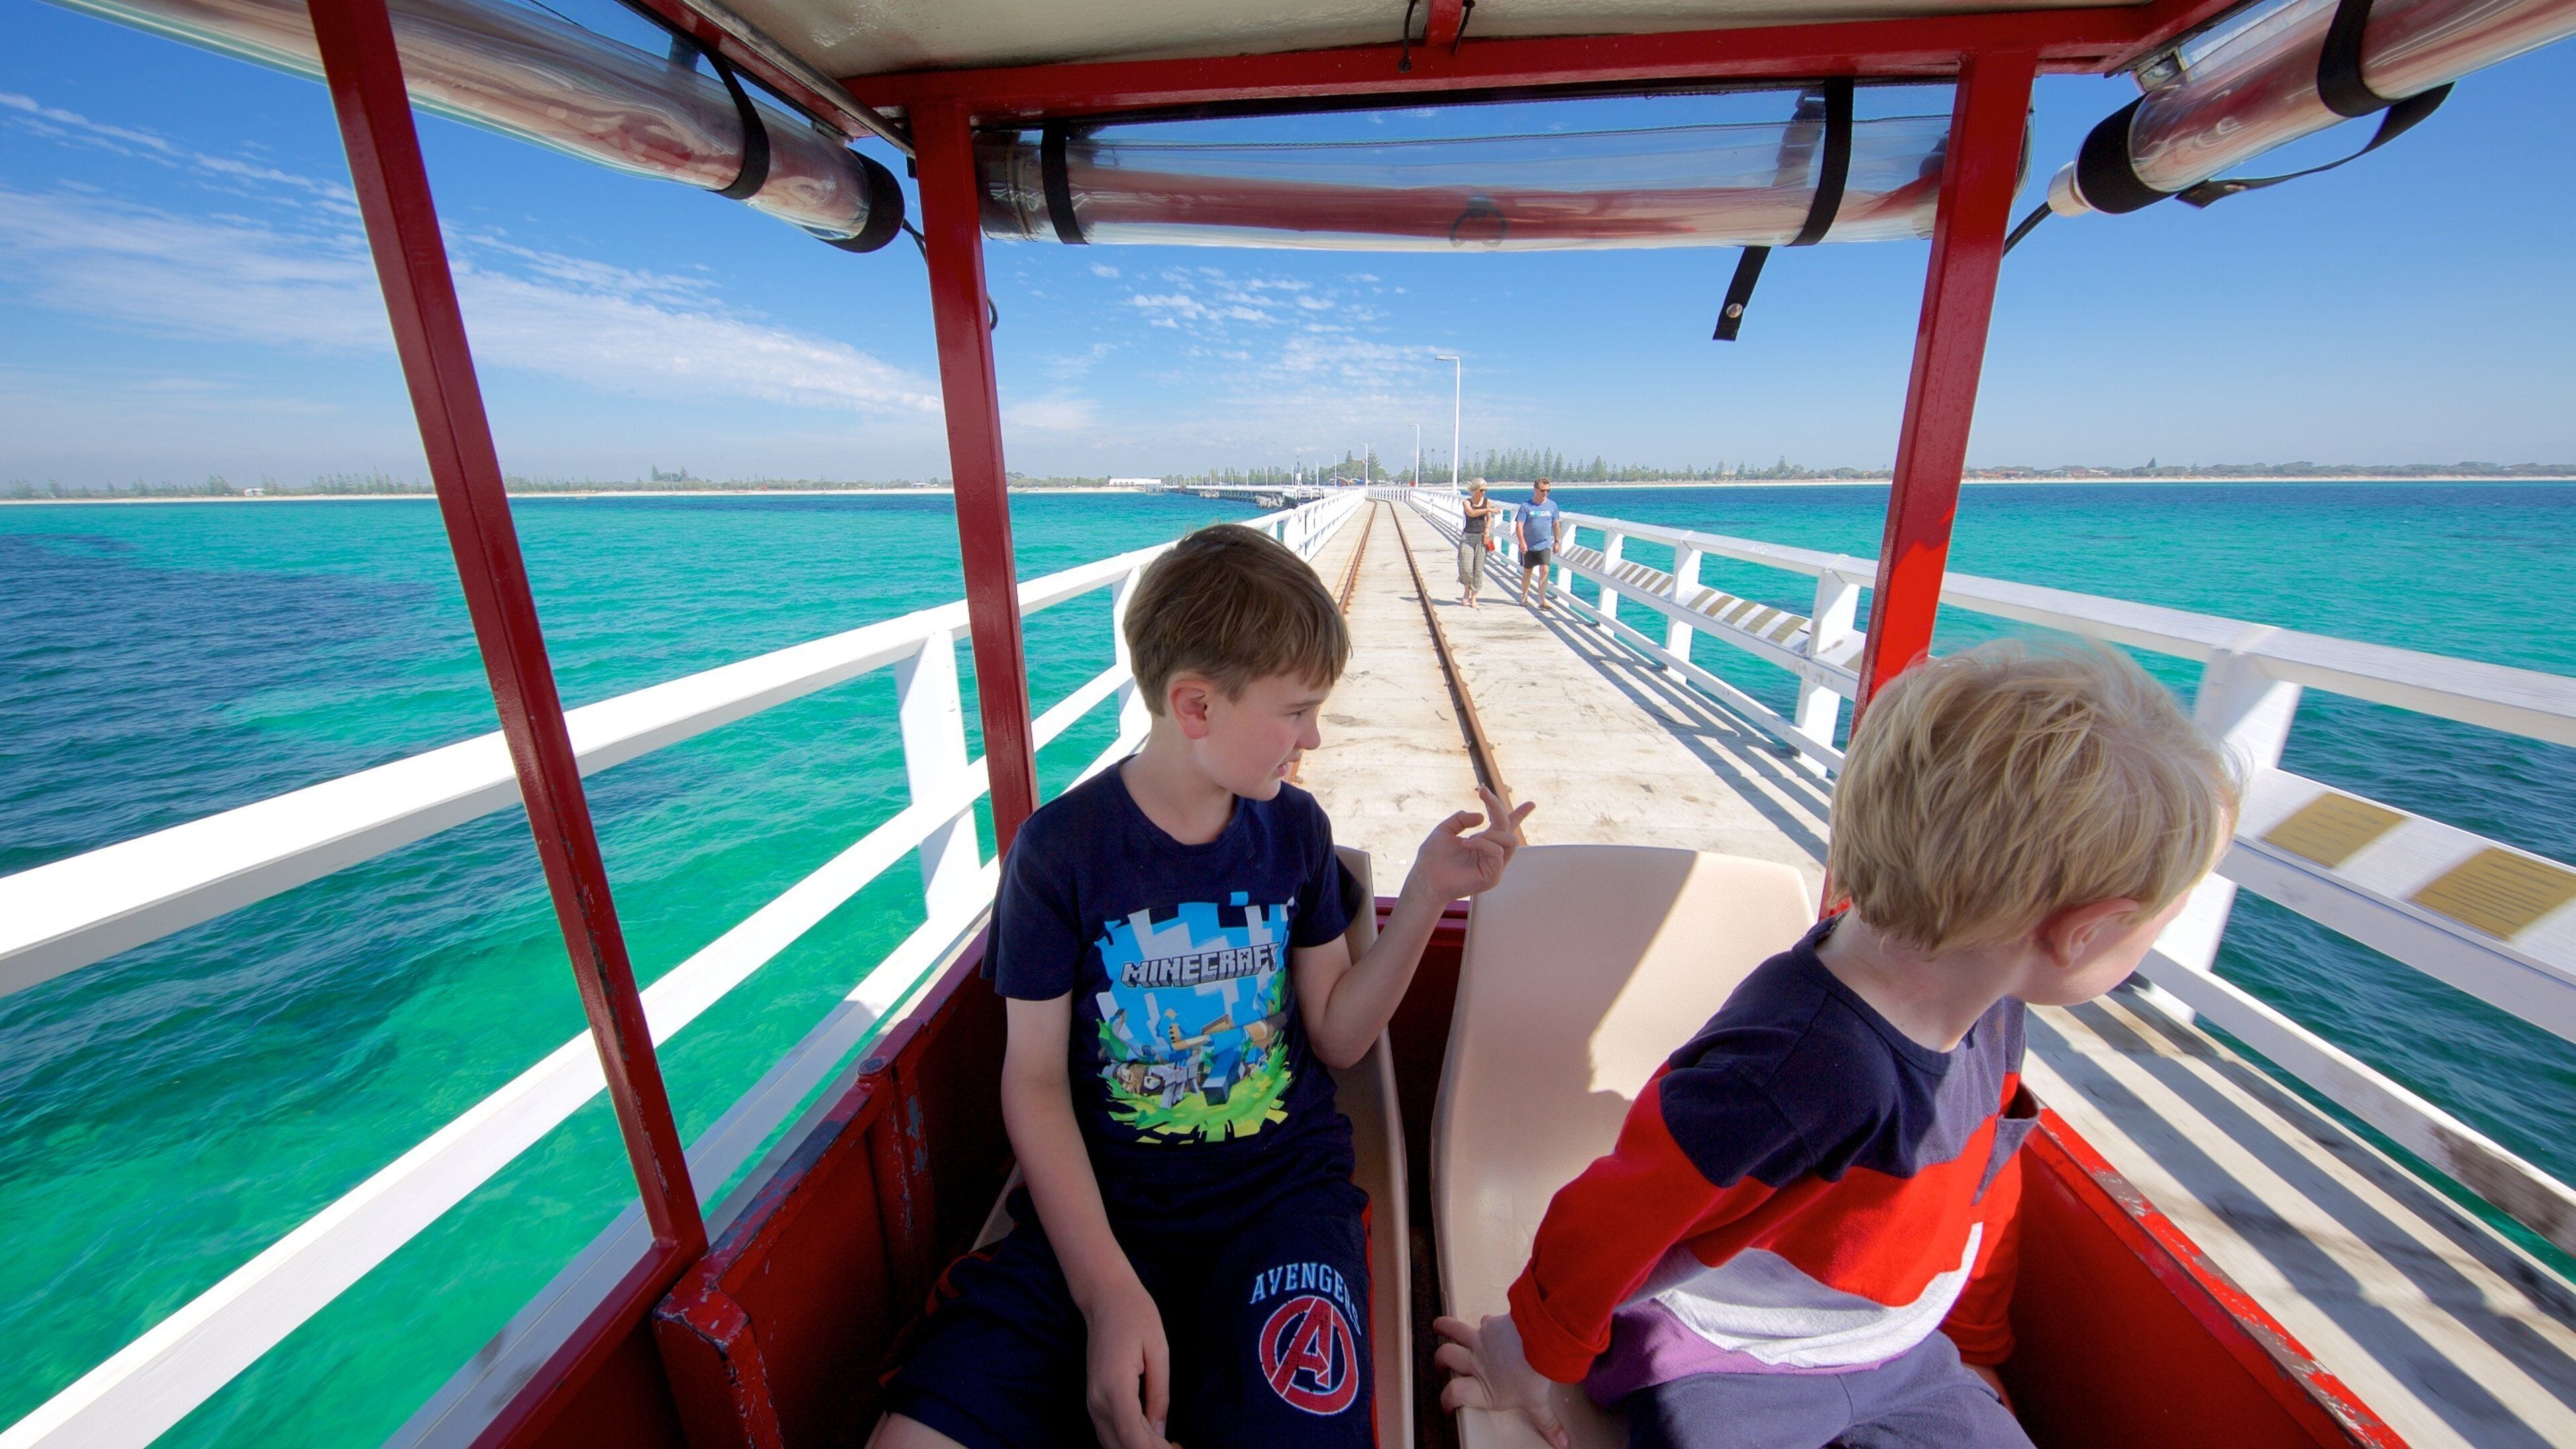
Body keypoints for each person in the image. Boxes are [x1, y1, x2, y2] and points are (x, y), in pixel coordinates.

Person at [1432, 643, 2237, 1449]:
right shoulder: (1799, 1070)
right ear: (2082, 933)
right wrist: (1522, 1353)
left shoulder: (1991, 1013)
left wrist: (1980, 1348)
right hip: (1722, 1356)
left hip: (1898, 1351)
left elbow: (1983, 1181)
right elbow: (1612, 1218)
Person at [879, 524, 1535, 1449]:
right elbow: (1031, 1081)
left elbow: (1340, 1038)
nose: (1313, 736)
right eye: (1296, 710)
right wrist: (1106, 1290)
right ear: (1194, 705)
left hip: (1279, 1209)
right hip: (1106, 1217)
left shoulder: (1295, 834)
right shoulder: (1060, 856)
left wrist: (1425, 894)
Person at [1517, 478, 1564, 612]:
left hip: (1545, 544)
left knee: (1545, 570)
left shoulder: (1552, 506)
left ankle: (1542, 600)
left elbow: (1556, 524)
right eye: (1542, 490)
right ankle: (1524, 596)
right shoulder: (1526, 506)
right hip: (1528, 545)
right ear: (1535, 490)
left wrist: (1556, 541)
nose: (1545, 493)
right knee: (1527, 571)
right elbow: (1519, 525)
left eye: (1548, 491)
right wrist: (1522, 542)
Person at [1457, 481, 1499, 609]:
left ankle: (1474, 598)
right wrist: (1489, 509)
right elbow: (1472, 513)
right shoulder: (1467, 502)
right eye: (1481, 490)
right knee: (1466, 567)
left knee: (1478, 569)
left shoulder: (1487, 502)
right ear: (1474, 490)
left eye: (1485, 490)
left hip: (1481, 537)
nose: (1483, 493)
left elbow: (1489, 518)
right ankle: (1466, 591)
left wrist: (1487, 531)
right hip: (1468, 537)